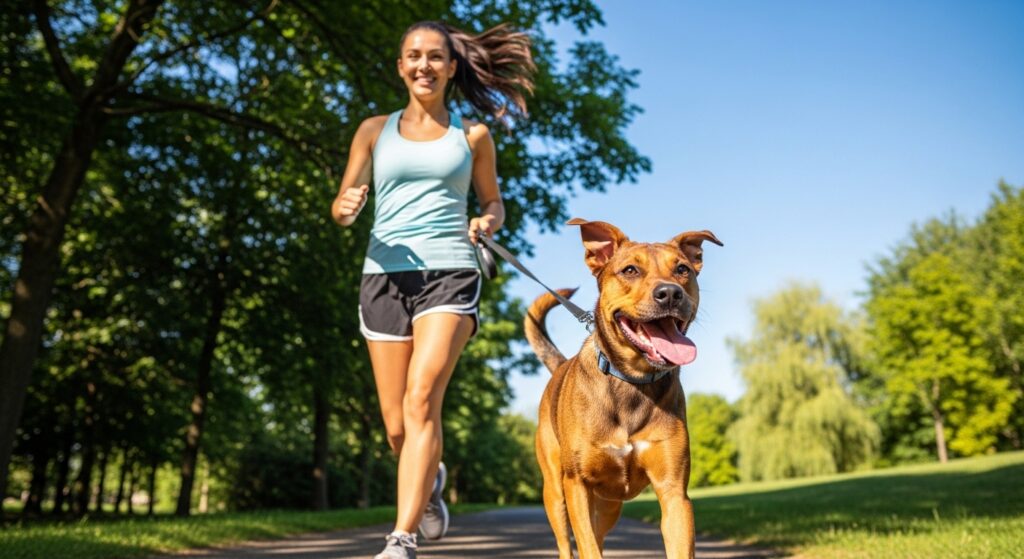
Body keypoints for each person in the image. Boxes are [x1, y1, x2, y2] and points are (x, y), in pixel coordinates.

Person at [331, 20, 535, 559]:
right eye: (413, 56)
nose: (424, 65)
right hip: (382, 277)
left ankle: (401, 539)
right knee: (398, 427)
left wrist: (487, 221)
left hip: (449, 273)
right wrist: (346, 208)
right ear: (400, 66)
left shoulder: (472, 137)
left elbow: (494, 201)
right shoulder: (374, 130)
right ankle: (428, 485)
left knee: (423, 397)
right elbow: (343, 198)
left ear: (451, 67)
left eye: (435, 57)